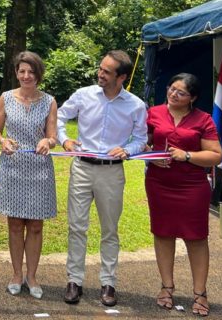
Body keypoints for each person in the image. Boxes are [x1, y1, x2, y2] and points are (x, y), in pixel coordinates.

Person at [56, 49, 147, 307]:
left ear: (122, 77)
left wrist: (128, 149)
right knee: (77, 226)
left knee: (110, 229)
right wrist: (65, 140)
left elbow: (141, 138)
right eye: (100, 68)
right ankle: (74, 281)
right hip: (81, 168)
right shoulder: (83, 95)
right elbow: (59, 116)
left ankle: (108, 283)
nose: (100, 74)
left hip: (112, 171)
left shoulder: (136, 105)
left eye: (107, 72)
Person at [146, 73, 222, 317]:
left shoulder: (203, 119)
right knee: (163, 233)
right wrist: (152, 157)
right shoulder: (154, 113)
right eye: (171, 88)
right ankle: (166, 287)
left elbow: (215, 155)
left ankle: (200, 293)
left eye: (181, 92)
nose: (173, 94)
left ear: (193, 98)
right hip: (159, 183)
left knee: (196, 237)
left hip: (192, 186)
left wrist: (187, 155)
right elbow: (141, 143)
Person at [0, 51, 57, 299]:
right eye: (22, 71)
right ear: (16, 73)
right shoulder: (6, 97)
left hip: (39, 169)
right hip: (13, 167)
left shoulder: (49, 101)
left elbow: (53, 136)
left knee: (36, 225)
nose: (26, 76)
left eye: (31, 71)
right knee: (15, 224)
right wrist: (2, 140)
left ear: (38, 74)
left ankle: (32, 276)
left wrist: (47, 141)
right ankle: (17, 274)